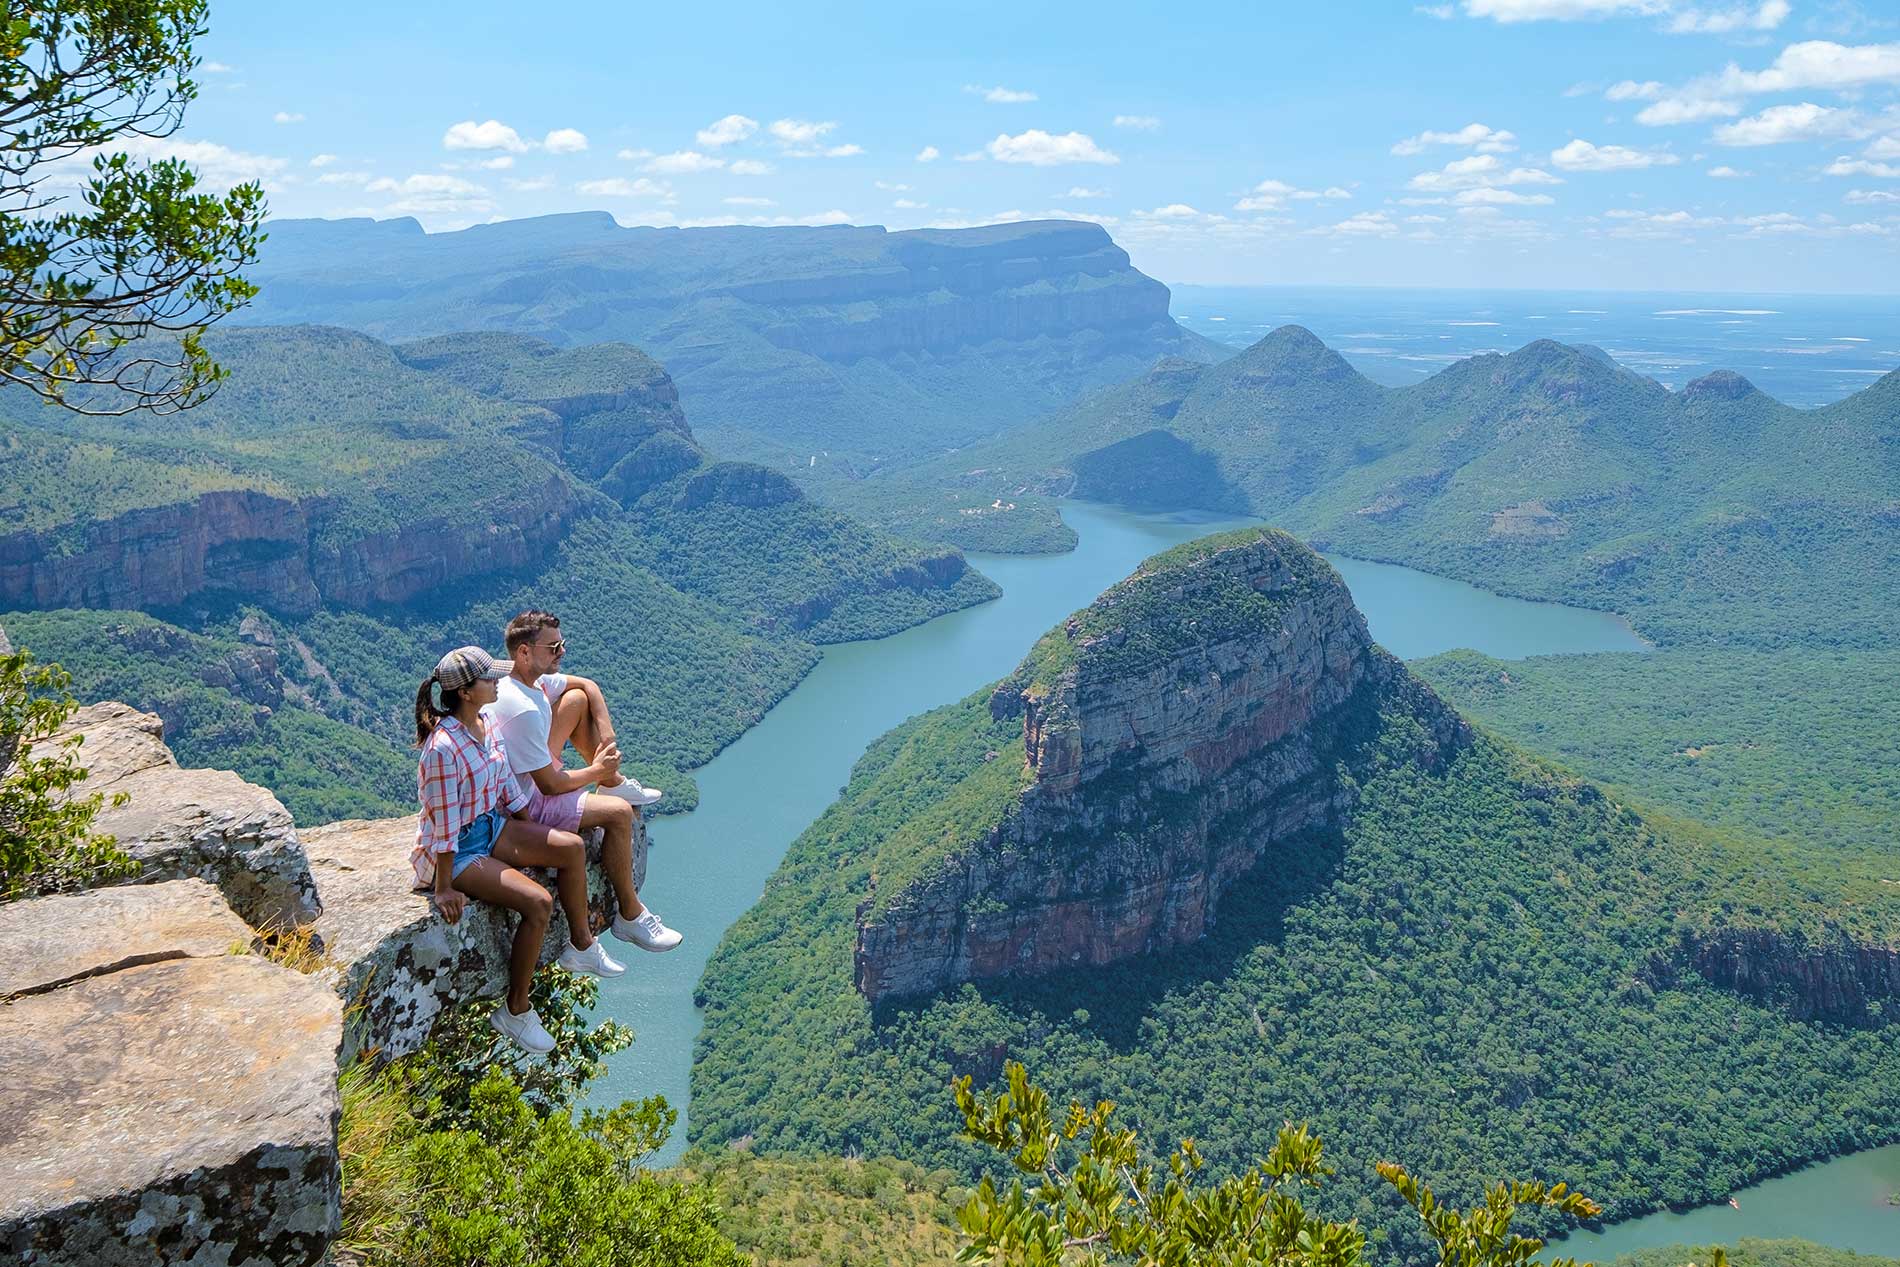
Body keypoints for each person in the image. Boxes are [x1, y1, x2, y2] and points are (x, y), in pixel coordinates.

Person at [411, 645, 628, 1054]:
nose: (498, 682)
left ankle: (581, 946)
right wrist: (443, 887)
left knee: (570, 849)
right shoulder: (442, 748)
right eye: (489, 678)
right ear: (466, 691)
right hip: (459, 851)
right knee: (538, 902)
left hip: (494, 826)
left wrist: (537, 828)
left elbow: (508, 789)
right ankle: (516, 1009)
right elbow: (442, 823)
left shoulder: (486, 721)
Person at [486, 609, 682, 952]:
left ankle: (613, 781)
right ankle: (630, 916)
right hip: (524, 801)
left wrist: (606, 733)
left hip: (531, 776)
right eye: (553, 647)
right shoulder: (522, 708)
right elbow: (550, 786)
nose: (562, 652)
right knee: (620, 814)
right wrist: (597, 770)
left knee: (576, 699)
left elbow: (587, 685)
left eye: (562, 644)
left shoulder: (528, 681)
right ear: (524, 652)